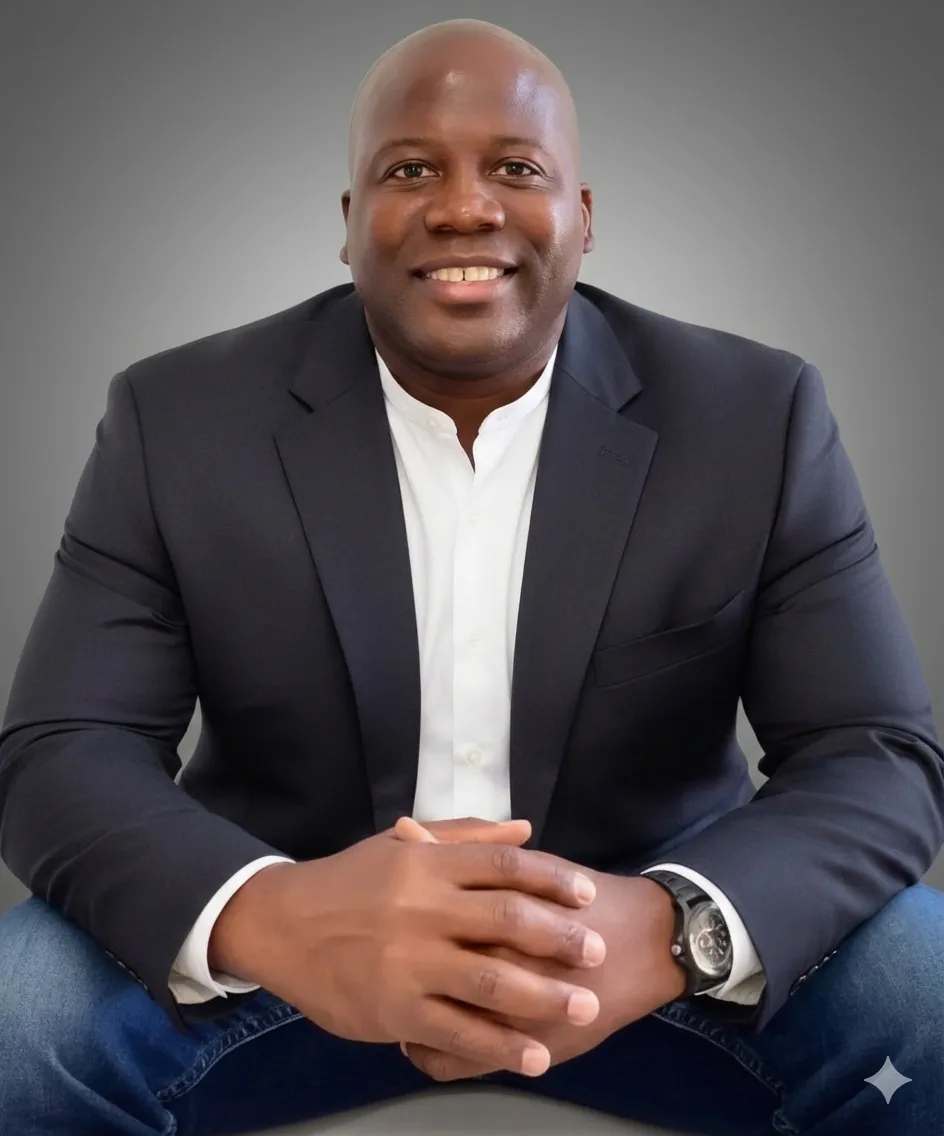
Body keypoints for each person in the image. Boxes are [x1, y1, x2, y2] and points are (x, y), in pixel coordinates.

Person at [0, 16, 941, 1136]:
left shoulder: (754, 416)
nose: (462, 207)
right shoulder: (177, 419)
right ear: (348, 222)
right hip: (288, 967)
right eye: (410, 170)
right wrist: (269, 914)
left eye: (515, 169)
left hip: (653, 969)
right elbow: (65, 747)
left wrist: (676, 928)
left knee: (924, 989)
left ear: (582, 216)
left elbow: (872, 750)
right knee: (22, 1014)